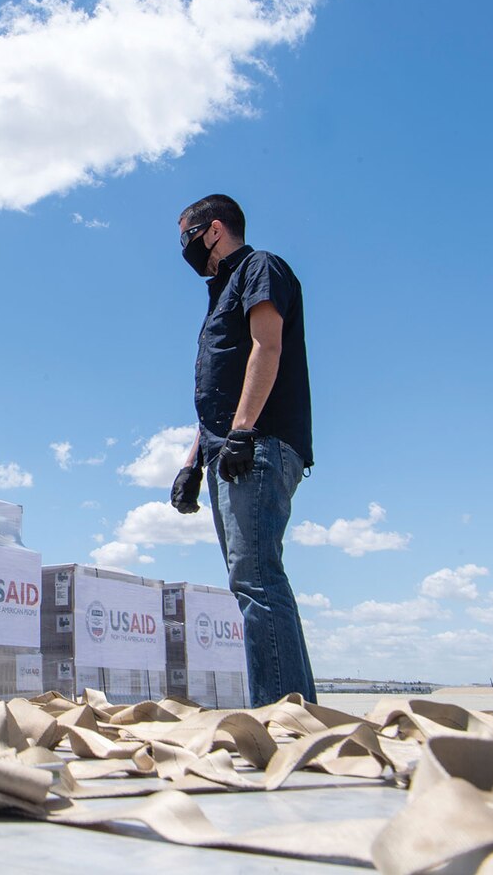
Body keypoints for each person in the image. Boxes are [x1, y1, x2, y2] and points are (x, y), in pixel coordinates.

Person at [170, 193, 316, 707]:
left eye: (184, 234)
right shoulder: (221, 291)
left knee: (256, 579)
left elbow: (266, 345)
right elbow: (221, 387)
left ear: (212, 230)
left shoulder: (260, 267)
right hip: (228, 449)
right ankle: (295, 710)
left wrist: (242, 433)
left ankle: (282, 717)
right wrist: (193, 462)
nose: (182, 247)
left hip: (257, 445)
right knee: (252, 580)